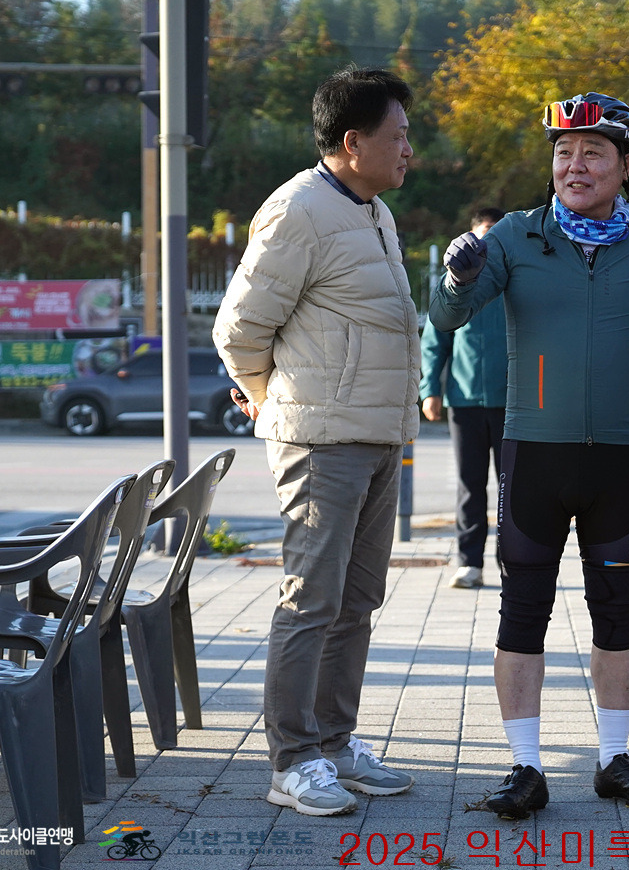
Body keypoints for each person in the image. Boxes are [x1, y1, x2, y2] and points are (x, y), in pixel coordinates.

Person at [431, 92, 629, 819]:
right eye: (563, 153)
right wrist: (456, 277)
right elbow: (449, 316)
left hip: (617, 461)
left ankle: (614, 760)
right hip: (533, 458)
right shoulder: (517, 235)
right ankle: (526, 767)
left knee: (618, 610)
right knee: (522, 610)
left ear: (626, 164)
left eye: (593, 153)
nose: (574, 165)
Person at [214, 68, 419, 817]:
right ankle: (293, 760)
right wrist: (273, 401)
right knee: (310, 601)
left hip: (379, 435)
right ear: (353, 142)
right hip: (322, 440)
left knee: (357, 601)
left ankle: (335, 742)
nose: (409, 150)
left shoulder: (373, 211)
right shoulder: (298, 209)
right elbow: (238, 329)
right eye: (398, 137)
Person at [420, 207, 508, 589]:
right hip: (465, 401)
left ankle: (513, 562)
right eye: (482, 234)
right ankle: (469, 563)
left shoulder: (515, 279)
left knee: (513, 488)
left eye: (496, 234)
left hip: (514, 403)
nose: (488, 242)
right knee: (470, 486)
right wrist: (430, 390)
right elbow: (434, 341)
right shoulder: (454, 282)